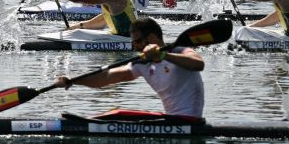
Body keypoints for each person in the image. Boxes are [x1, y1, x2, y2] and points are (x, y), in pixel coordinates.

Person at [53, 17, 205, 118]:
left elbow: (198, 64)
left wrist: (164, 56)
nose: (134, 47)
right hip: (171, 121)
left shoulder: (179, 51)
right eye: (132, 43)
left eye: (137, 42)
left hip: (189, 121)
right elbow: (106, 78)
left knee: (118, 114)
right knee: (116, 113)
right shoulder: (142, 64)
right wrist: (72, 81)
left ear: (152, 38)